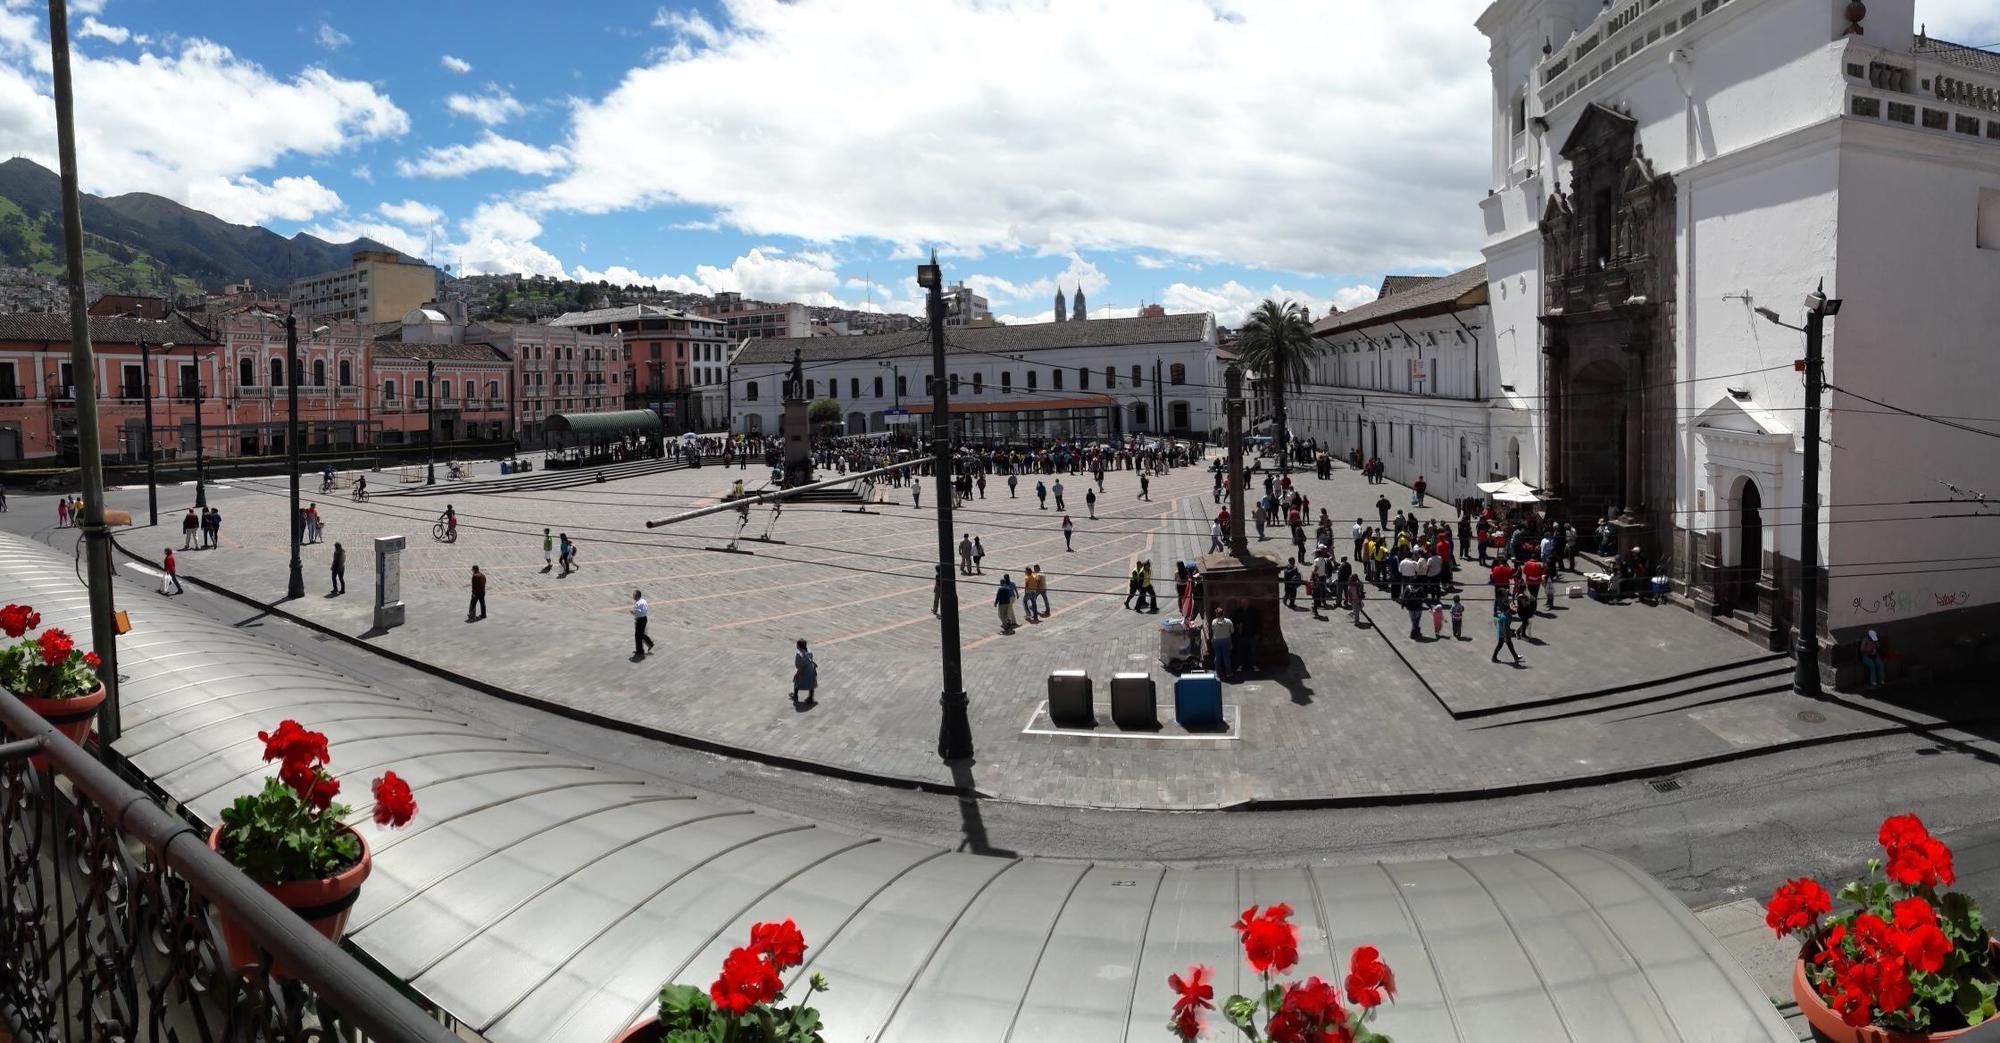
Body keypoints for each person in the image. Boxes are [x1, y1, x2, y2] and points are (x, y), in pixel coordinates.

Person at [1493, 600, 1521, 664]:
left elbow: (1514, 612)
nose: (1511, 608)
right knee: (1501, 645)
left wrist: (1518, 607)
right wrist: (1505, 637)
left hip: (1506, 631)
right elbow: (1504, 628)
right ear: (1507, 609)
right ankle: (1494, 658)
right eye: (1509, 607)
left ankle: (1515, 656)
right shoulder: (1504, 617)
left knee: (1509, 644)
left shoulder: (1508, 613)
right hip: (1502, 633)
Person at [1210, 611, 1235, 678]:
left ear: (1216, 614)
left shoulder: (1214, 621)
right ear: (1223, 614)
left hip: (1216, 640)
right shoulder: (1228, 621)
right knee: (1226, 656)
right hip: (1226, 640)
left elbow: (1213, 630)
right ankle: (1228, 673)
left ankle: (1218, 673)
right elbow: (1232, 631)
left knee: (1217, 656)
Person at [792, 639, 818, 704]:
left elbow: (799, 666)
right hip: (810, 670)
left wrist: (797, 674)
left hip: (803, 671)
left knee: (796, 682)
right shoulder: (809, 651)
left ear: (798, 646)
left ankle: (795, 697)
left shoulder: (799, 654)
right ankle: (811, 698)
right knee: (811, 684)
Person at [632, 590, 656, 658]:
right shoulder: (643, 601)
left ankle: (640, 650)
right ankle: (650, 643)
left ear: (638, 596)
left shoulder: (638, 603)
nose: (633, 596)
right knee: (641, 634)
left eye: (634, 595)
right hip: (644, 618)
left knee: (638, 635)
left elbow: (638, 612)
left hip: (640, 620)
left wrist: (633, 612)